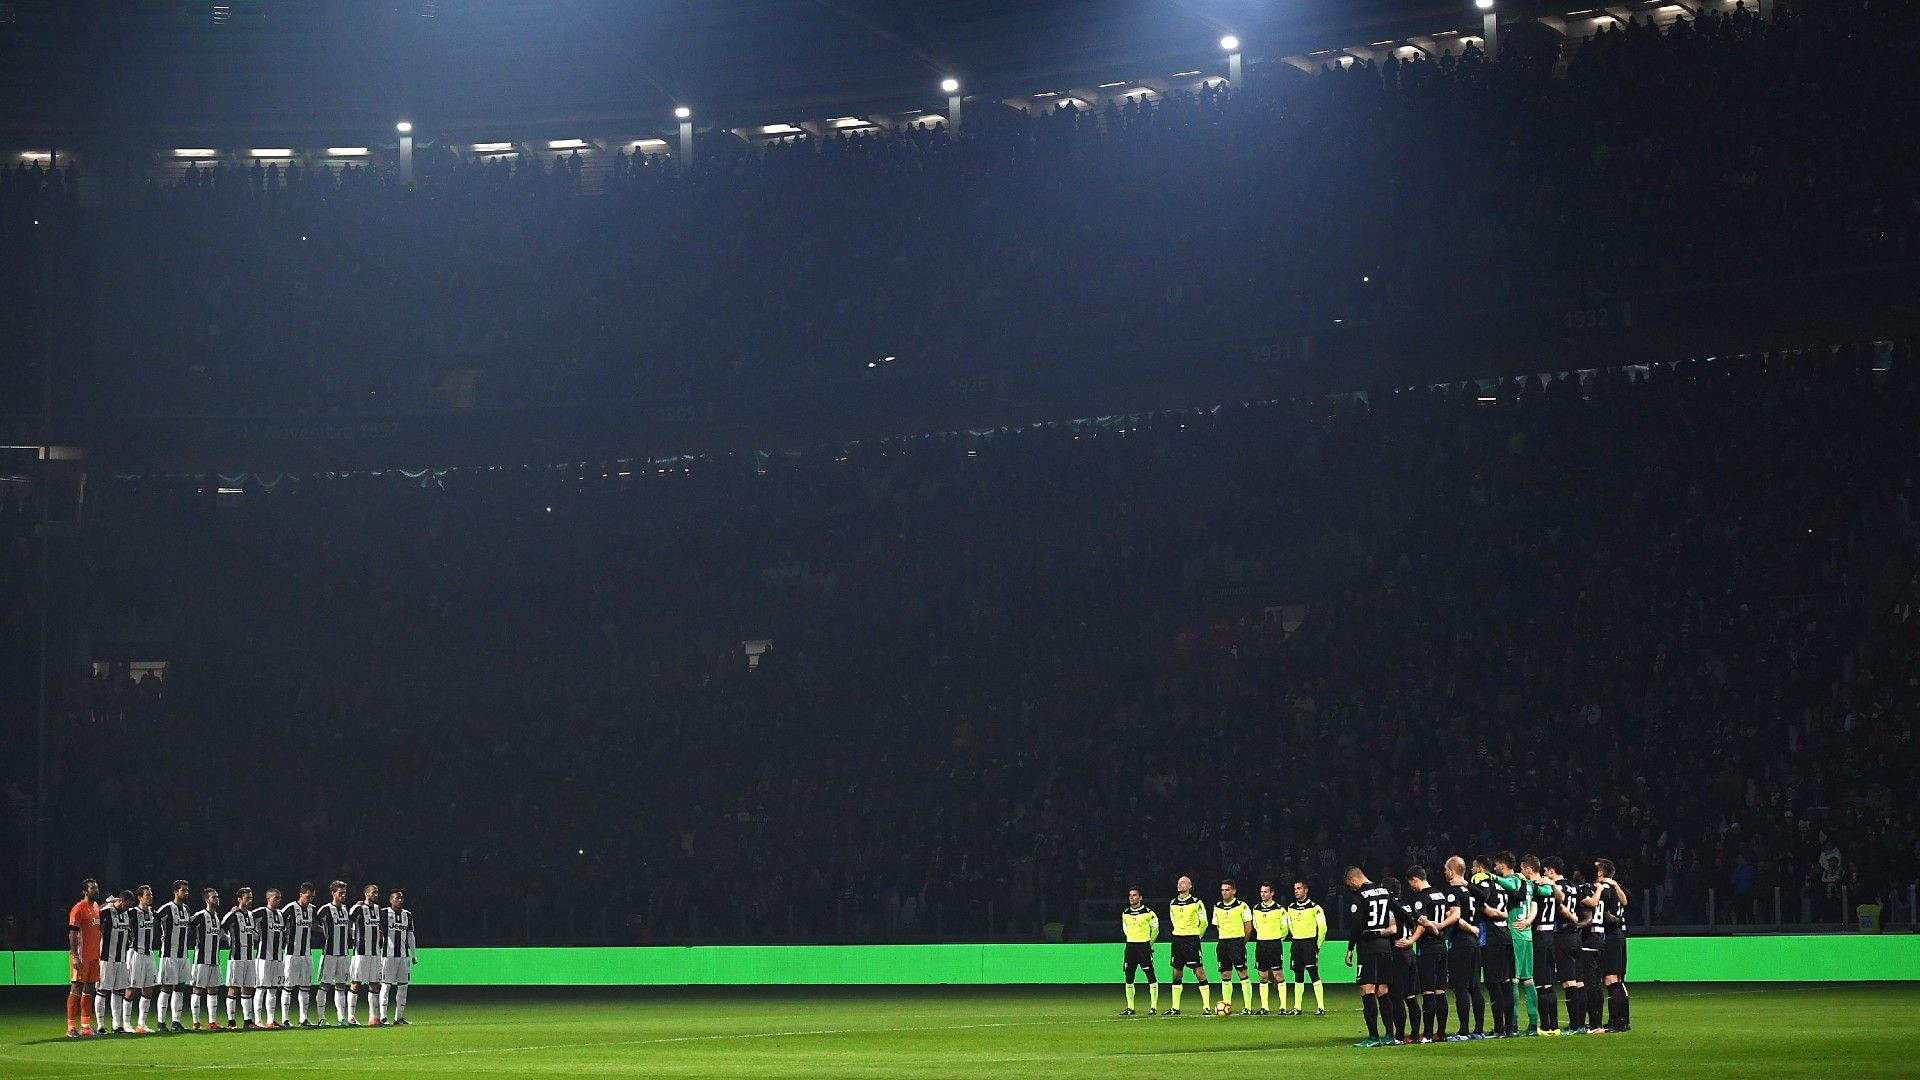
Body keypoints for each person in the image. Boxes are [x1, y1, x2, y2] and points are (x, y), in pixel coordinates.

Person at [1341, 866, 1396, 1048]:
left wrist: (1350, 948)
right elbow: (1395, 911)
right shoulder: (1384, 891)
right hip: (1385, 946)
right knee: (1383, 990)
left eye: (1350, 885)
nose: (1351, 888)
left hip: (1368, 946)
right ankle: (1389, 1035)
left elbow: (1357, 924)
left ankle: (1373, 1037)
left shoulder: (1359, 896)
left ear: (1353, 880)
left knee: (1367, 989)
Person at [1470, 855, 1516, 1037]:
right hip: (1505, 935)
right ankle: (1509, 1028)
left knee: (1493, 983)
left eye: (1473, 867)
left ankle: (1499, 1029)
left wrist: (1487, 910)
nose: (1472, 870)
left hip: (1492, 938)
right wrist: (1502, 914)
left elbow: (1484, 899)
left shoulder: (1484, 882)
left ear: (1480, 869)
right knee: (1505, 983)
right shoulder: (1501, 884)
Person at [1495, 852, 1540, 1035]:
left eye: (1496, 865)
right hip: (1527, 935)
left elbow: (1509, 884)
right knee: (1528, 980)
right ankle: (1532, 1024)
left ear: (1502, 865)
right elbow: (1544, 893)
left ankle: (1512, 1025)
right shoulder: (1529, 884)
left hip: (1514, 934)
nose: (1496, 868)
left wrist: (1492, 878)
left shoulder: (1513, 880)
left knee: (1512, 980)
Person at [1407, 866, 1453, 1043]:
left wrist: (1412, 940)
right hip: (1442, 946)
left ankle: (1426, 1034)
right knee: (1440, 991)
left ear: (1415, 879)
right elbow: (1449, 915)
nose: (1411, 887)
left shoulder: (1421, 898)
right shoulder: (1440, 894)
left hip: (1428, 948)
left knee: (1428, 992)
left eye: (1411, 883)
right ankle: (1441, 1033)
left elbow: (1422, 924)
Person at [1441, 856, 1486, 1041]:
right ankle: (1478, 1031)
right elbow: (1484, 898)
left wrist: (1439, 925)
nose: (1444, 871)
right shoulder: (1470, 892)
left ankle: (1463, 1032)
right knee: (1474, 987)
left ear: (1451, 871)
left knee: (1461, 988)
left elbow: (1456, 917)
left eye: (1445, 868)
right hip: (1475, 943)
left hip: (1461, 943)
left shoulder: (1453, 892)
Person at [1525, 856, 1566, 1036]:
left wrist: (1526, 921)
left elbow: (1533, 909)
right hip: (1551, 937)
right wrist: (1552, 884)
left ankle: (1545, 1026)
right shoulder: (1550, 888)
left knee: (1541, 985)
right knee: (1549, 984)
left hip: (1540, 937)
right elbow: (1561, 898)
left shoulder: (1537, 889)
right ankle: (1555, 1026)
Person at [1591, 859, 1631, 1032]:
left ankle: (1616, 1023)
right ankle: (1623, 1021)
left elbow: (1606, 915)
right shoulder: (1616, 887)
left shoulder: (1604, 889)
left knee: (1610, 979)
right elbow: (1626, 901)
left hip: (1612, 936)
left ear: (1600, 872)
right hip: (1620, 935)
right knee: (1619, 980)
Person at [1546, 858, 1584, 1035]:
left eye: (1546, 871)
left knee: (1569, 982)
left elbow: (1560, 909)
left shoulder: (1558, 888)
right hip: (1576, 937)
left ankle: (1575, 1026)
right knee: (1578, 981)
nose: (1545, 875)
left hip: (1562, 936)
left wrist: (1572, 918)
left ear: (1552, 871)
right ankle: (1582, 1024)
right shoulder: (1574, 887)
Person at [1382, 877, 1422, 1044]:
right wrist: (1411, 940)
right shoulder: (1408, 905)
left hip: (1398, 954)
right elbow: (1419, 924)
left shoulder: (1390, 908)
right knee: (1411, 997)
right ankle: (1414, 1034)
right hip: (1410, 954)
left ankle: (1398, 1036)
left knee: (1396, 998)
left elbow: (1393, 929)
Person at [1164, 876, 1210, 1015]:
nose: (1180, 884)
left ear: (1190, 886)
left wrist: (1197, 937)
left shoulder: (1197, 903)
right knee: (1177, 973)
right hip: (1177, 940)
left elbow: (1204, 923)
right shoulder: (1173, 903)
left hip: (1192, 940)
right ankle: (1175, 1008)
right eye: (1178, 882)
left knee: (1199, 972)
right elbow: (1173, 921)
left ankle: (1206, 1006)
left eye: (1183, 882)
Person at [1283, 879, 1327, 1015]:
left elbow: (1323, 928)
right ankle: (1297, 1007)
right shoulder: (1291, 908)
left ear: (1306, 890)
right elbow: (1289, 925)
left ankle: (1320, 1006)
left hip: (1309, 943)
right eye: (1295, 889)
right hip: (1296, 943)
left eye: (1299, 888)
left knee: (1313, 974)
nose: (1296, 891)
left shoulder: (1315, 908)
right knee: (1298, 974)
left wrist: (1317, 945)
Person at [155, 880, 194, 1032]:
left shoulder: (186, 909)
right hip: (169, 954)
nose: (186, 892)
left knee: (180, 988)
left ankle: (176, 1022)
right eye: (183, 890)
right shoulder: (167, 908)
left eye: (187, 890)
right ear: (175, 892)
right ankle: (161, 1023)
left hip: (183, 954)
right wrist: (161, 937)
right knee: (166, 988)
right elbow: (155, 921)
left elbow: (187, 928)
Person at [1212, 880, 1255, 1014]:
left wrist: (1241, 943)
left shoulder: (1242, 906)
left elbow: (1248, 928)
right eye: (1223, 890)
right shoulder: (1217, 907)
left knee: (1242, 972)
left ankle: (1247, 1007)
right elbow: (1218, 926)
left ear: (1234, 891)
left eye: (1227, 890)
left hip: (1237, 942)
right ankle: (1227, 1006)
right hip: (1223, 943)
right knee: (1225, 974)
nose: (1224, 892)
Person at [66, 878, 102, 1038]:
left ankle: (85, 1025)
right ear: (85, 891)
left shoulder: (95, 907)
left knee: (89, 990)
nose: (96, 890)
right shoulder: (78, 909)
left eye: (97, 887)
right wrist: (74, 955)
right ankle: (71, 1027)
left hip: (94, 956)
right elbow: (72, 933)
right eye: (93, 888)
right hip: (81, 956)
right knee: (76, 989)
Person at [221, 886, 262, 1029]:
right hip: (236, 957)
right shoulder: (232, 915)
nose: (250, 900)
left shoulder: (251, 916)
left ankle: (247, 1021)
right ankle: (231, 1022)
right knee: (234, 989)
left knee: (248, 989)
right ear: (239, 899)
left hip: (250, 957)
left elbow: (255, 934)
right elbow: (220, 929)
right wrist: (230, 940)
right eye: (247, 898)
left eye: (251, 898)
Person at [187, 888, 226, 1030]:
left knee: (213, 990)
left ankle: (212, 1022)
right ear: (206, 900)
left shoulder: (216, 917)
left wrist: (232, 940)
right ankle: (196, 1023)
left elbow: (220, 935)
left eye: (217, 896)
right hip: (201, 960)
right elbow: (187, 928)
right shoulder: (200, 916)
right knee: (197, 989)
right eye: (213, 897)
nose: (216, 899)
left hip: (215, 960)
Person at [316, 880, 354, 1026]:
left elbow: (348, 927)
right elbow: (314, 923)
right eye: (340, 893)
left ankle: (341, 1018)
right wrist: (325, 932)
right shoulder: (325, 909)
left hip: (343, 953)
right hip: (329, 953)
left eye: (344, 893)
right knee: (325, 985)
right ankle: (321, 1018)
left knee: (341, 986)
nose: (343, 895)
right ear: (333, 893)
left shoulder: (345, 909)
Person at [282, 882, 320, 1026]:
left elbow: (315, 926)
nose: (310, 900)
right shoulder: (290, 908)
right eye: (308, 897)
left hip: (307, 954)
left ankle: (303, 1018)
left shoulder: (312, 909)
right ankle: (285, 1019)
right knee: (288, 986)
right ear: (301, 895)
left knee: (305, 986)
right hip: (292, 954)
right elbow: (276, 920)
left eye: (312, 897)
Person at [379, 889, 419, 1025]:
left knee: (403, 986)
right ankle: (383, 1017)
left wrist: (414, 954)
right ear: (391, 900)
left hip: (403, 956)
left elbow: (410, 935)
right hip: (387, 956)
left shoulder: (407, 915)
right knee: (386, 985)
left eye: (401, 898)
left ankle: (399, 1017)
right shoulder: (383, 912)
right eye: (397, 898)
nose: (400, 900)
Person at [1118, 887, 1160, 1015]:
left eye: (1134, 895)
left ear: (1140, 897)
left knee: (1150, 976)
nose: (1131, 897)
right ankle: (1130, 1007)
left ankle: (1153, 1007)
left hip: (1144, 947)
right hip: (1130, 947)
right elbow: (1125, 930)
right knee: (1129, 977)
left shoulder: (1149, 913)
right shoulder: (1125, 913)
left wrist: (1148, 943)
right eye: (1130, 895)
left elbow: (1156, 931)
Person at [127, 885, 162, 1034]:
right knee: (131, 989)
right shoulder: (133, 912)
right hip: (135, 953)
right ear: (140, 898)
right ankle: (126, 1024)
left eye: (151, 894)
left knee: (148, 989)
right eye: (147, 895)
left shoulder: (153, 913)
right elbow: (117, 914)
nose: (150, 897)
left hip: (149, 954)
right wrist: (112, 902)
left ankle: (142, 1024)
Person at [348, 883, 385, 1025]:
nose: (376, 895)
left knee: (375, 984)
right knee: (356, 983)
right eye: (373, 892)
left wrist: (379, 934)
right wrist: (354, 935)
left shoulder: (378, 909)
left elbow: (380, 928)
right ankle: (351, 1017)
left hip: (375, 952)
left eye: (377, 892)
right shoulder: (358, 908)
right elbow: (347, 922)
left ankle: (373, 1017)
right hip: (361, 952)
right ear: (366, 894)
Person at [1250, 882, 1289, 1015]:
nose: (1263, 894)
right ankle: (1264, 1007)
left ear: (1272, 893)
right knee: (1262, 976)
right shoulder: (1256, 909)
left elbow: (1285, 928)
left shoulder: (1279, 910)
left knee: (1278, 975)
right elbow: (1255, 925)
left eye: (1266, 892)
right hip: (1261, 944)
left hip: (1274, 944)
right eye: (1261, 892)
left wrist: (1276, 938)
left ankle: (1283, 1007)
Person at [97, 891, 133, 1034]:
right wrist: (108, 902)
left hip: (121, 958)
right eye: (125, 905)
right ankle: (100, 1025)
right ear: (120, 901)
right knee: (102, 990)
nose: (127, 908)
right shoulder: (107, 911)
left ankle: (117, 1025)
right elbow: (94, 914)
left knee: (118, 991)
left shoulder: (126, 914)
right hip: (106, 957)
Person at [253, 887, 287, 1027]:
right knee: (260, 988)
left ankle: (270, 1020)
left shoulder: (280, 914)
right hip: (263, 957)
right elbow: (246, 916)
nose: (278, 900)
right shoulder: (261, 912)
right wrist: (235, 911)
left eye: (279, 898)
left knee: (273, 989)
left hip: (277, 957)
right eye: (276, 898)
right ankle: (257, 1020)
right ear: (268, 898)